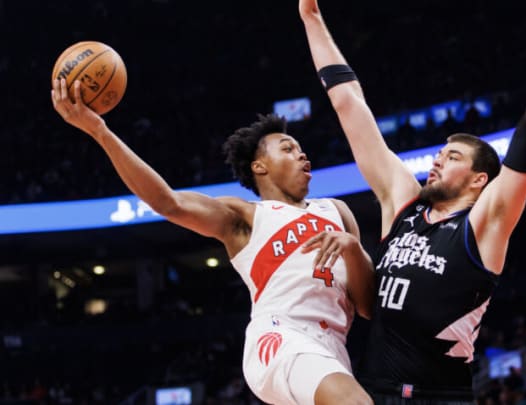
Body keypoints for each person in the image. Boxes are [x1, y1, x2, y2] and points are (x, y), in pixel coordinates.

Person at [299, 0, 526, 402]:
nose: (440, 157)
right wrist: (311, 17)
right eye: (442, 152)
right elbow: (349, 104)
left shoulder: (484, 226)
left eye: (454, 156)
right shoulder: (403, 204)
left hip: (439, 396)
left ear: (481, 180)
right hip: (372, 392)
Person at [50, 81, 374, 405]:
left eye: (300, 148)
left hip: (332, 348)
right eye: (287, 148)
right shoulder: (244, 216)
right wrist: (100, 131)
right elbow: (167, 203)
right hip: (281, 337)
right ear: (259, 166)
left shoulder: (336, 211)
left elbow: (367, 306)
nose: (301, 153)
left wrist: (353, 249)